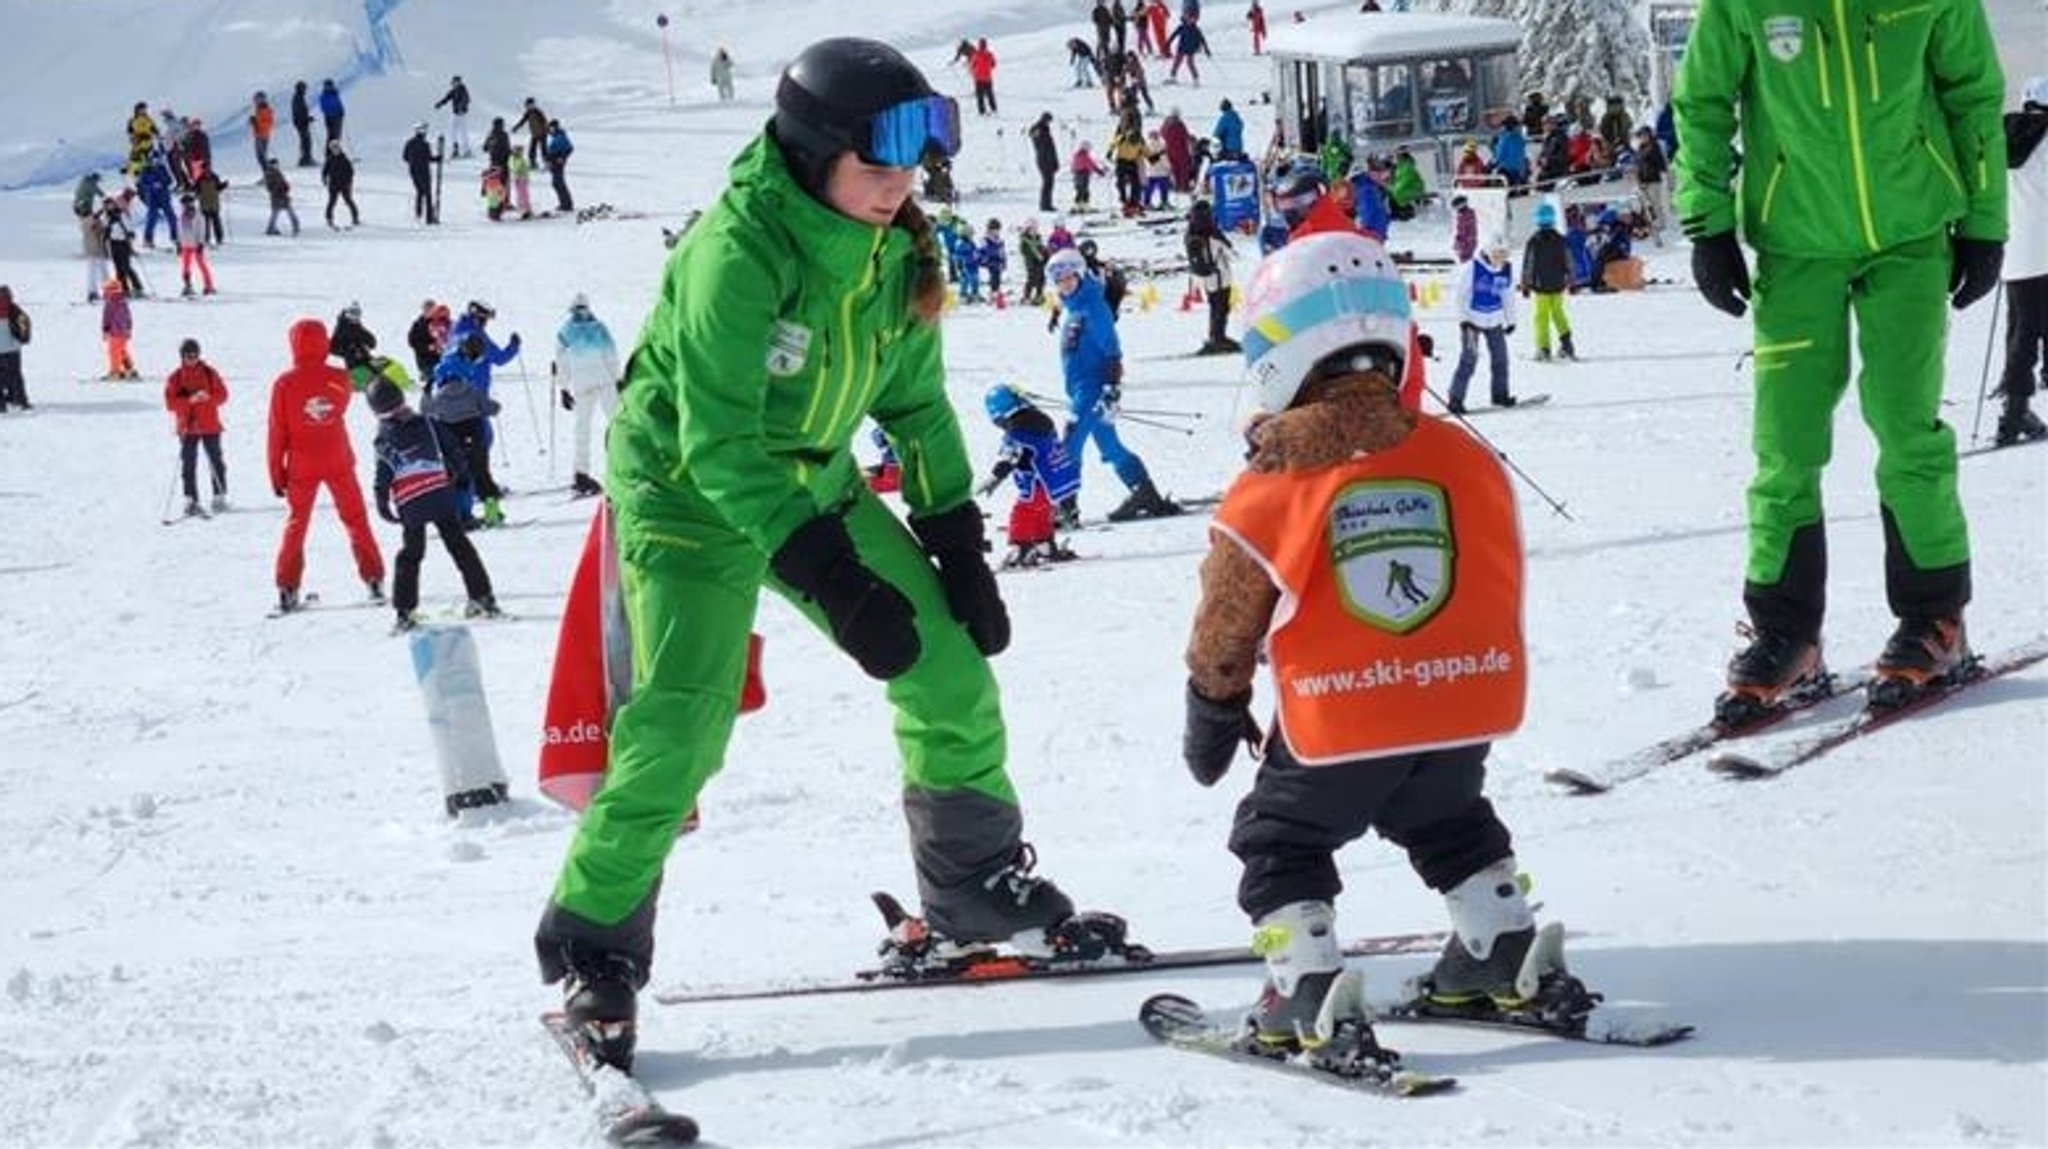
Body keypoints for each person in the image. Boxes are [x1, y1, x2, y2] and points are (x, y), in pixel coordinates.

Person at [532, 37, 1125, 1073]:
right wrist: (831, 577)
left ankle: (971, 885)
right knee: (681, 723)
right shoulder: (735, 252)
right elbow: (718, 441)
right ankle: (594, 946)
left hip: (812, 477)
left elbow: (914, 405)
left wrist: (955, 541)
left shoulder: (895, 250)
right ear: (815, 154)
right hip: (685, 495)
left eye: (915, 157)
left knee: (946, 668)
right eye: (879, 157)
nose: (903, 180)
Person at [1183, 229, 1580, 1055]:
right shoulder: (1461, 453)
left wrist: (1213, 700)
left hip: (1341, 716)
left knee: (1279, 839)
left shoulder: (1280, 475)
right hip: (1459, 706)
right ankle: (1500, 943)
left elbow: (1229, 613)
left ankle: (1304, 986)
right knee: (1447, 817)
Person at [1673, 0, 2006, 715]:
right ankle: (1785, 632)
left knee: (1907, 428)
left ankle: (1935, 618)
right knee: (1785, 445)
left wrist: (1986, 220)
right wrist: (1707, 223)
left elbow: (1973, 93)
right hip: (1795, 245)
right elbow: (1701, 101)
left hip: (1911, 236)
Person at [1050, 247, 1181, 520]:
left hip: (1092, 390)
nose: (1064, 284)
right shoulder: (1075, 306)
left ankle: (1065, 508)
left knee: (1069, 444)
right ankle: (1145, 493)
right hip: (1081, 389)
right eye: (1059, 280)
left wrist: (1110, 388)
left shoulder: (1093, 307)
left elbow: (1112, 350)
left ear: (1080, 274)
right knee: (1110, 446)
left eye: (1069, 278)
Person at [267, 318, 386, 613]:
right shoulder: (340, 377)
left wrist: (276, 473)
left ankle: (287, 587)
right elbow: (339, 406)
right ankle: (374, 578)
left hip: (301, 463)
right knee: (356, 518)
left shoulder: (284, 383)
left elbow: (277, 432)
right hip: (337, 457)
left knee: (297, 523)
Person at [367, 378, 499, 631]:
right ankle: (482, 597)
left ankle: (405, 611)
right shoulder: (429, 423)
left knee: (411, 555)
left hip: (411, 503)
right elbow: (453, 450)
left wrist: (382, 501)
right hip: (440, 495)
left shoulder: (384, 438)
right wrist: (460, 475)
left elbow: (383, 473)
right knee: (459, 545)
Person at [1997, 76, 2048, 446]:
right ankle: (2014, 415)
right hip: (2045, 251)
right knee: (2028, 332)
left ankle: (2015, 404)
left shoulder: (2002, 138)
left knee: (2019, 328)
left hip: (2013, 251)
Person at [978, 385, 1081, 567]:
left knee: (1023, 511)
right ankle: (1045, 545)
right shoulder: (1040, 420)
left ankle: (1021, 547)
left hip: (1041, 483)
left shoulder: (1018, 433)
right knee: (1041, 510)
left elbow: (1009, 458)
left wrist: (995, 478)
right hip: (1058, 479)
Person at [429, 333, 509, 528]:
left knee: (459, 478)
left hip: (450, 440)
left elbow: (427, 411)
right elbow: (491, 408)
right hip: (475, 434)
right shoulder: (470, 390)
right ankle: (492, 513)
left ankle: (462, 515)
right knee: (482, 474)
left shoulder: (438, 395)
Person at [552, 293, 621, 497]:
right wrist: (618, 379)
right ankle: (621, 465)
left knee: (582, 429)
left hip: (584, 385)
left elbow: (562, 363)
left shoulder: (565, 332)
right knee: (617, 423)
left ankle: (581, 474)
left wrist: (564, 388)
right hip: (604, 381)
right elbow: (611, 355)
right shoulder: (599, 328)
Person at [1444, 237, 1518, 414]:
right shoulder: (1473, 268)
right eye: (1497, 254)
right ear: (1488, 253)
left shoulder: (1506, 270)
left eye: (1504, 255)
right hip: (1472, 321)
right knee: (1469, 359)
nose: (1500, 258)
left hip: (1494, 320)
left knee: (1501, 359)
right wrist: (1463, 319)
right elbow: (1460, 296)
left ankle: (1500, 395)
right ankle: (1455, 398)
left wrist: (1511, 320)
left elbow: (1508, 296)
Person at [165, 338, 229, 515]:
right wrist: (189, 400)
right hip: (187, 426)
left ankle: (219, 496)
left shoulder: (209, 373)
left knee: (216, 460)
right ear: (182, 357)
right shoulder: (175, 377)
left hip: (210, 424)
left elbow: (223, 395)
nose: (192, 359)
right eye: (188, 356)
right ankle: (191, 499)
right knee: (188, 463)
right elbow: (170, 403)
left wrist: (209, 398)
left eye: (195, 355)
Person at [1520, 200, 1576, 362]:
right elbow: (1569, 261)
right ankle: (1567, 344)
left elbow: (1529, 264)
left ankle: (1543, 348)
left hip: (1541, 286)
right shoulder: (1560, 239)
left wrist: (1525, 284)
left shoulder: (1534, 241)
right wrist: (1572, 280)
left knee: (1541, 317)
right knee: (1558, 313)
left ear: (1537, 220)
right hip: (1558, 284)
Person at [1184, 198, 1238, 355]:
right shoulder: (1212, 234)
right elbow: (1230, 250)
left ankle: (1215, 336)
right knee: (1222, 307)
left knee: (1215, 306)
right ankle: (1218, 337)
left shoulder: (1191, 233)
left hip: (1204, 276)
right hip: (1219, 274)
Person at [1631, 126, 1669, 244]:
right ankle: (1651, 223)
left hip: (1653, 179)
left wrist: (1663, 172)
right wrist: (1638, 177)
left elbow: (1661, 162)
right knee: (1647, 204)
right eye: (1641, 135)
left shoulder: (1654, 146)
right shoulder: (1640, 148)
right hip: (1643, 180)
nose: (1643, 137)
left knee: (1655, 203)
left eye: (1645, 135)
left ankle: (1661, 223)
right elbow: (1638, 164)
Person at [175, 194, 215, 297]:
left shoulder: (198, 215)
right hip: (185, 244)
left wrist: (201, 243)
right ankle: (187, 285)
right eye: (184, 204)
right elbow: (179, 230)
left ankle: (209, 285)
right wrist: (178, 243)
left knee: (201, 265)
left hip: (196, 244)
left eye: (188, 203)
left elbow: (202, 230)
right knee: (185, 266)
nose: (186, 206)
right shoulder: (181, 215)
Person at [0, 285, 30, 412]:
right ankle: (21, 401)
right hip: (13, 349)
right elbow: (25, 322)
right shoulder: (14, 309)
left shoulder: (14, 309)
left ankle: (2, 404)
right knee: (15, 376)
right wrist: (24, 338)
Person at [101, 278, 137, 381]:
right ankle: (129, 368)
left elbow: (107, 318)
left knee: (114, 352)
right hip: (123, 332)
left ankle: (115, 371)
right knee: (122, 351)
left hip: (115, 332)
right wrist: (129, 329)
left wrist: (105, 329)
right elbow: (128, 318)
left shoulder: (110, 303)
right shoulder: (123, 302)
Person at [330, 302, 378, 376]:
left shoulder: (358, 327)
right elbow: (333, 347)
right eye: (353, 313)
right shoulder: (342, 328)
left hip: (365, 360)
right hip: (353, 365)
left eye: (357, 314)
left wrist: (365, 341)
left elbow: (372, 343)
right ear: (348, 314)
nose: (355, 317)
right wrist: (347, 349)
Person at [404, 124, 438, 225]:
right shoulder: (425, 144)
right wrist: (437, 159)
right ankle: (429, 217)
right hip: (424, 172)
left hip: (413, 171)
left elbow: (404, 157)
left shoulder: (409, 143)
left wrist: (412, 162)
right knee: (428, 194)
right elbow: (428, 158)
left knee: (419, 191)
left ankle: (418, 213)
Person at [321, 141, 360, 229]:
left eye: (336, 148)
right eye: (333, 148)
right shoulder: (330, 159)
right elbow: (325, 170)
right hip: (333, 184)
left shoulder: (344, 159)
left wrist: (348, 181)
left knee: (348, 200)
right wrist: (324, 179)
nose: (335, 150)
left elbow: (351, 172)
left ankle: (355, 218)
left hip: (344, 185)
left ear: (340, 148)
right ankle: (329, 218)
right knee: (332, 201)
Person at [1029, 112, 1060, 213]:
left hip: (1044, 159)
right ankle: (1045, 205)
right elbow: (1047, 148)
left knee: (1048, 183)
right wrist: (1052, 161)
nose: (1049, 123)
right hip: (1044, 160)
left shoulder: (1040, 130)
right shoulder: (1041, 130)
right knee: (1048, 183)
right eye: (1049, 121)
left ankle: (1046, 204)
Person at [434, 75, 471, 158]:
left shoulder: (463, 90)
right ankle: (455, 149)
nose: (454, 84)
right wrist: (439, 104)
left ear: (459, 82)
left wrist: (461, 106)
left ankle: (466, 150)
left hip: (462, 114)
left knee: (463, 132)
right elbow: (446, 98)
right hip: (455, 114)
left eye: (455, 82)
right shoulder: (453, 91)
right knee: (453, 132)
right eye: (453, 82)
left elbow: (467, 99)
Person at [544, 120, 575, 213]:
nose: (550, 130)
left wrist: (562, 157)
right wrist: (548, 161)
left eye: (551, 128)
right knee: (556, 183)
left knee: (558, 183)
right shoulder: (556, 136)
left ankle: (567, 204)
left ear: (555, 127)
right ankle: (564, 203)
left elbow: (569, 148)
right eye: (549, 128)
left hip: (558, 163)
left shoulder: (561, 136)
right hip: (554, 163)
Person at [262, 160, 300, 236]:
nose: (276, 166)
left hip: (283, 196)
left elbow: (283, 182)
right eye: (274, 165)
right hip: (276, 197)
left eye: (277, 165)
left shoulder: (278, 173)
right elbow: (270, 187)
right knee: (275, 214)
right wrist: (278, 188)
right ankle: (270, 228)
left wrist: (286, 186)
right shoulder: (269, 174)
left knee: (290, 212)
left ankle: (295, 225)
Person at [969, 38, 998, 116]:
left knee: (980, 96)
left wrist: (974, 72)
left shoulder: (976, 54)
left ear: (979, 45)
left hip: (978, 79)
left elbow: (972, 65)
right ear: (986, 45)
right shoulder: (989, 54)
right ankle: (994, 109)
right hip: (988, 78)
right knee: (990, 94)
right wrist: (988, 69)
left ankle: (982, 111)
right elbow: (994, 64)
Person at [290, 81, 315, 167]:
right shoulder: (298, 98)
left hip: (301, 122)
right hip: (301, 123)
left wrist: (307, 118)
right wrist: (306, 119)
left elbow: (302, 111)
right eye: (304, 88)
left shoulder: (299, 97)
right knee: (306, 141)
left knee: (305, 140)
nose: (305, 90)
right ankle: (306, 159)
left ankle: (305, 158)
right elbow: (299, 112)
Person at [249, 92, 275, 171]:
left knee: (261, 155)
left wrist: (256, 123)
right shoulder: (259, 110)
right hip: (259, 135)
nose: (255, 102)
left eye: (257, 100)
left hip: (262, 135)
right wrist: (253, 122)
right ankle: (267, 172)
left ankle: (268, 171)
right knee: (261, 155)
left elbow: (268, 123)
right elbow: (260, 122)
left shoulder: (265, 110)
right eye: (255, 100)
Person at [317, 79, 345, 148]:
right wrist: (332, 112)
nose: (329, 87)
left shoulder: (335, 94)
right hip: (330, 118)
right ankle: (330, 151)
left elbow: (338, 103)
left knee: (337, 135)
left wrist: (341, 111)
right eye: (327, 86)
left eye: (330, 86)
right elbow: (324, 107)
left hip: (338, 117)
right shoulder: (324, 96)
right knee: (332, 136)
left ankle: (335, 151)